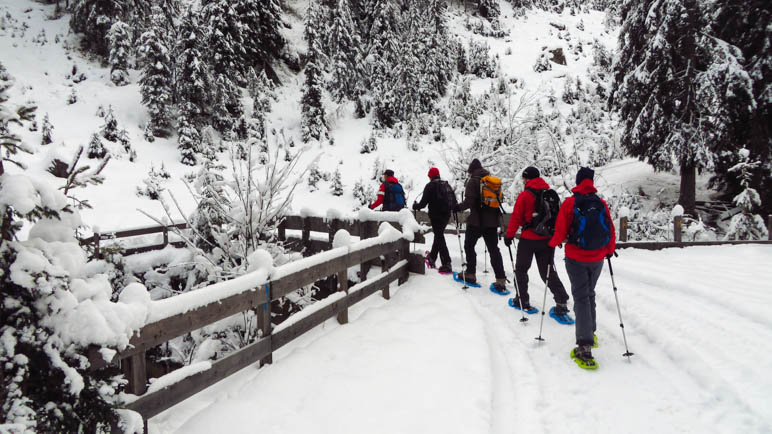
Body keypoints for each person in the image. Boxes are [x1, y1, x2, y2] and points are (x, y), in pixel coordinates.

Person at [548, 167, 616, 368]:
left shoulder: (570, 203)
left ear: (578, 182)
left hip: (576, 257)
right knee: (589, 293)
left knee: (581, 297)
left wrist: (552, 243)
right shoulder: (600, 202)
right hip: (597, 257)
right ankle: (591, 332)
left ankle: (584, 345)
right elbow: (610, 229)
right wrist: (609, 250)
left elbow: (560, 231)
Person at [504, 166, 570, 313]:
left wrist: (509, 235)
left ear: (527, 178)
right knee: (547, 271)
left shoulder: (525, 195)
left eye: (523, 178)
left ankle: (522, 300)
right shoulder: (548, 193)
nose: (522, 180)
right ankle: (561, 301)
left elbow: (515, 218)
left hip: (528, 240)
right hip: (546, 239)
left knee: (521, 270)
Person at [453, 159, 507, 290]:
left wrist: (457, 207)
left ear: (471, 171)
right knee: (494, 250)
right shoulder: (491, 182)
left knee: (469, 246)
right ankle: (501, 279)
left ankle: (470, 273)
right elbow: (500, 199)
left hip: (476, 221)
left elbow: (469, 202)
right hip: (492, 222)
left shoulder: (473, 181)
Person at [413, 168, 454, 274]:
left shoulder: (430, 186)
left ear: (430, 176)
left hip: (436, 216)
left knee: (439, 237)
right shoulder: (446, 185)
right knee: (438, 235)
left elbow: (423, 204)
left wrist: (415, 205)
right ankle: (432, 257)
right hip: (446, 215)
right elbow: (453, 200)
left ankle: (447, 263)